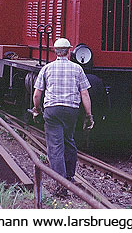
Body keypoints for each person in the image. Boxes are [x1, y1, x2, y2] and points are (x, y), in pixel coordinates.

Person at [32, 38, 94, 195]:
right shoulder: (77, 69)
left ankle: (61, 185)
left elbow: (37, 94)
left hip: (52, 110)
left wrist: (36, 109)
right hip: (71, 111)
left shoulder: (47, 68)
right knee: (69, 141)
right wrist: (88, 115)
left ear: (54, 51)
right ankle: (70, 177)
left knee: (55, 147)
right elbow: (85, 93)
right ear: (69, 51)